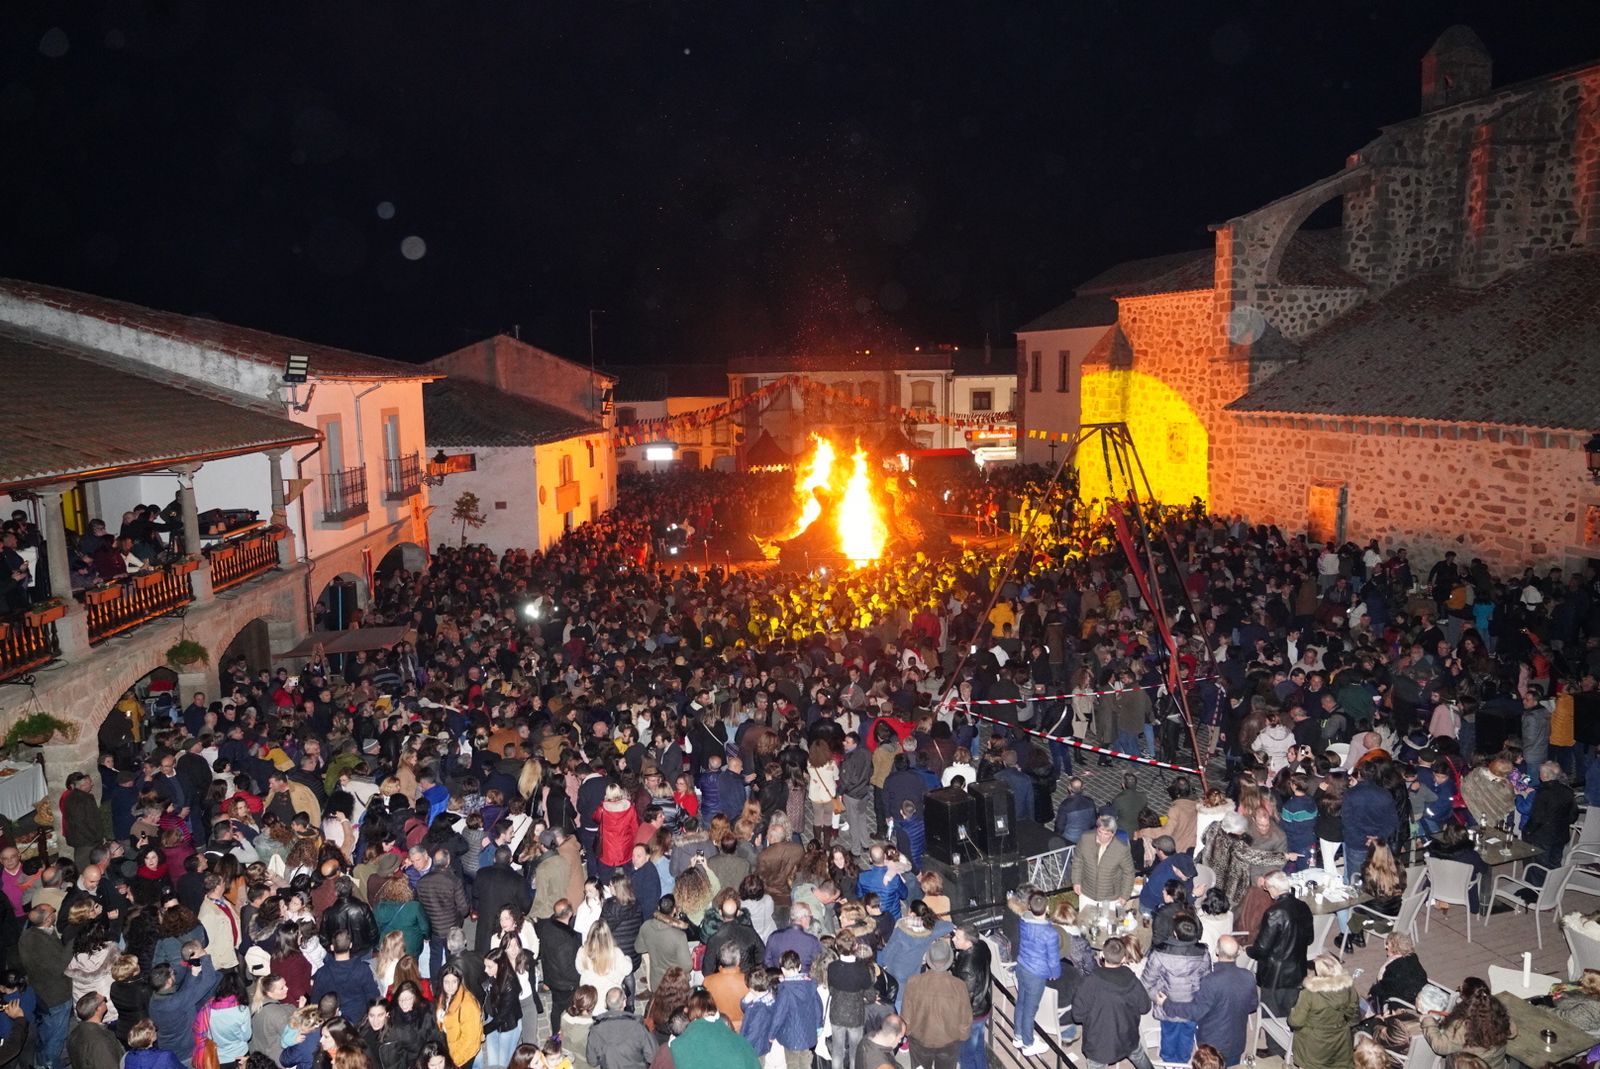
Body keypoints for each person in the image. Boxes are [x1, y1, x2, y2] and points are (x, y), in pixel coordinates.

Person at [1160, 935, 1260, 1068]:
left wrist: (1167, 1004)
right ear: (1238, 953)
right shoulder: (1248, 976)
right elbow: (1253, 1005)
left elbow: (1195, 1012)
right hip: (1237, 1043)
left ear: (1217, 951)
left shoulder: (1210, 980)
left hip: (1212, 1046)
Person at [1072, 937, 1154, 1069]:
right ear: (1123, 959)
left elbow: (1077, 1015)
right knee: (1139, 1057)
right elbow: (1145, 1007)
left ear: (1102, 955)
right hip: (1128, 1038)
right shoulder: (1133, 980)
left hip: (1098, 1045)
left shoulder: (1089, 982)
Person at [1143, 913, 1212, 1062]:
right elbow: (1207, 982)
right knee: (1187, 1035)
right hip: (1193, 1006)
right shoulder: (1204, 953)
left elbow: (1146, 983)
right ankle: (1182, 1061)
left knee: (1168, 1033)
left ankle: (1168, 1061)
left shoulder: (1159, 953)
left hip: (1167, 1005)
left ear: (1175, 933)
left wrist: (1159, 998)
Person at [1248, 872, 1313, 1015]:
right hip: (1298, 971)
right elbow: (1310, 939)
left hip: (1275, 975)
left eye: (1267, 888)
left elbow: (1262, 949)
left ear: (1274, 889)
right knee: (1291, 1014)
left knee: (1271, 1016)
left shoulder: (1274, 912)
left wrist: (1249, 950)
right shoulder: (1304, 906)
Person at [902, 938, 972, 1069]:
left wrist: (909, 1032)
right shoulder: (959, 985)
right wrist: (962, 1036)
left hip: (920, 1040)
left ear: (928, 959)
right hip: (948, 1042)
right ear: (949, 960)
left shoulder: (913, 982)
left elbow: (906, 1015)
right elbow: (965, 1017)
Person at [1421, 977, 1514, 1069]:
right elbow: (1513, 1032)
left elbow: (1440, 1046)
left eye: (1460, 990)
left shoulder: (1462, 1026)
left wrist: (1428, 1021)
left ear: (1464, 998)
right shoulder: (1498, 1012)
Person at [1012, 891, 1063, 1056]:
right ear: (1047, 908)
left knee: (1021, 1002)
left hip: (1022, 967)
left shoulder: (1024, 921)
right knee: (1030, 1009)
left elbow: (1027, 913)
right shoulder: (1050, 933)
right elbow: (1053, 960)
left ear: (1029, 907)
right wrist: (1055, 973)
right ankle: (1028, 1044)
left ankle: (1018, 1035)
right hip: (1036, 974)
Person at [1289, 956, 1359, 1069]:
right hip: (1341, 1042)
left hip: (1313, 1045)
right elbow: (1354, 1016)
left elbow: (1295, 1022)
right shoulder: (1350, 988)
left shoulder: (1309, 994)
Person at [771, 949, 824, 1068]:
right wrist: (819, 1026)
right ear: (799, 967)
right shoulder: (810, 985)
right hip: (808, 1034)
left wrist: (771, 1034)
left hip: (791, 1036)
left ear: (783, 970)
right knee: (806, 1061)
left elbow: (779, 1015)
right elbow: (818, 1007)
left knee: (793, 1063)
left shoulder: (785, 990)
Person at [950, 924, 992, 1069]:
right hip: (983, 1005)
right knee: (978, 1048)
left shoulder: (967, 968)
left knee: (965, 1056)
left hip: (972, 1014)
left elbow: (965, 998)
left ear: (968, 942)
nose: (953, 939)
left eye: (957, 937)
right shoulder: (982, 945)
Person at [586, 987, 656, 1069]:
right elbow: (653, 1056)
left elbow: (592, 1061)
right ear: (624, 1003)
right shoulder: (638, 1027)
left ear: (606, 1004)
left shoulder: (595, 1031)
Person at [1365, 932, 1428, 1012]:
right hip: (1422, 994)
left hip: (1404, 1003)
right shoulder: (1413, 958)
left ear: (1394, 950)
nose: (1386, 951)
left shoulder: (1391, 967)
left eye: (1387, 948)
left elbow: (1383, 986)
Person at [435, 965, 483, 1069]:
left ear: (459, 982)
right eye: (446, 982)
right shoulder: (445, 996)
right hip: (450, 1048)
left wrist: (454, 1062)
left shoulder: (468, 1005)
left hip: (463, 1056)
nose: (450, 986)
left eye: (454, 982)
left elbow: (470, 1041)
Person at [64, 993, 124, 1069]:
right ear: (98, 1009)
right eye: (104, 1000)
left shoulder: (74, 1033)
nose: (106, 1001)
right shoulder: (100, 1042)